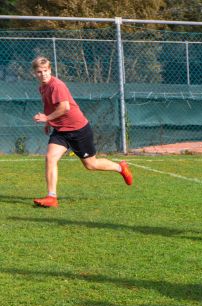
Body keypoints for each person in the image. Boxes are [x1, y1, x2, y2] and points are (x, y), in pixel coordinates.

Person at [31, 56, 132, 208]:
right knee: (50, 157)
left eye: (46, 71)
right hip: (60, 131)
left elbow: (65, 107)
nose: (43, 74)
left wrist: (47, 118)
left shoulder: (57, 85)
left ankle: (120, 168)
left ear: (50, 70)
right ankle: (52, 197)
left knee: (91, 165)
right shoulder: (42, 87)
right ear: (35, 73)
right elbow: (50, 106)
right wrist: (49, 122)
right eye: (40, 72)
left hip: (78, 130)